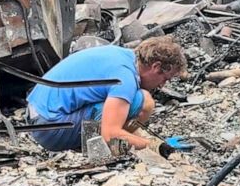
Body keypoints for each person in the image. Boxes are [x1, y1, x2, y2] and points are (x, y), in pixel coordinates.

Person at [26, 36, 187, 152]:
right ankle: (101, 153)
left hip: (35, 115)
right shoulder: (125, 79)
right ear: (156, 66)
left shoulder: (122, 55)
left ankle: (118, 144)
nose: (161, 85)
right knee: (142, 101)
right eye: (164, 79)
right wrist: (154, 146)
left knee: (139, 100)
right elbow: (110, 134)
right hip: (49, 130)